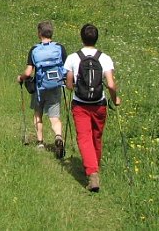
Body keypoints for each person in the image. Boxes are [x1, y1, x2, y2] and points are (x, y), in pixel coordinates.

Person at [64, 23, 119, 192]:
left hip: (80, 104)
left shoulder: (73, 57)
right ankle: (94, 168)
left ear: (81, 38)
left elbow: (69, 85)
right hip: (99, 104)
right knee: (96, 136)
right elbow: (110, 84)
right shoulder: (105, 58)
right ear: (97, 38)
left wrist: (75, 86)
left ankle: (92, 172)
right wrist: (115, 99)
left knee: (84, 137)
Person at [16, 20, 66, 158]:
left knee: (38, 113)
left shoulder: (34, 50)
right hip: (55, 86)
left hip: (40, 87)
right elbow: (65, 68)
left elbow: (28, 73)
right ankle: (58, 136)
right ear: (52, 33)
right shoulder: (60, 48)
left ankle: (40, 142)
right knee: (55, 117)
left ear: (39, 34)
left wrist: (20, 78)